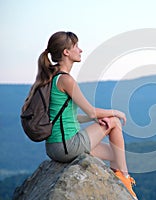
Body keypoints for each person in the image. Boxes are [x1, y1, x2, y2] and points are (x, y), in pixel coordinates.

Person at [24, 31, 137, 199]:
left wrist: (97, 118)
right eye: (76, 46)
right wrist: (114, 113)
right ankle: (126, 180)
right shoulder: (66, 80)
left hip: (55, 147)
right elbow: (90, 110)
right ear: (66, 52)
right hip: (67, 146)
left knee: (117, 154)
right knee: (114, 122)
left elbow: (70, 116)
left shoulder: (53, 78)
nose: (81, 50)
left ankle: (119, 179)